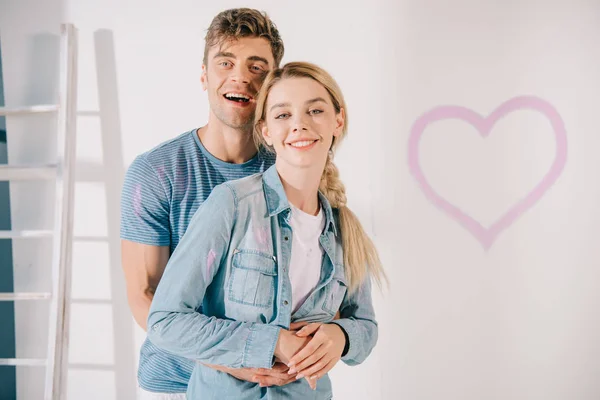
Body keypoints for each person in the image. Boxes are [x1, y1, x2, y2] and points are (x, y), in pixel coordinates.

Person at [147, 61, 386, 399]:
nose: (300, 125)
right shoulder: (231, 203)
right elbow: (165, 321)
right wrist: (272, 342)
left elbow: (366, 326)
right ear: (266, 131)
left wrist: (341, 337)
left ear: (338, 120)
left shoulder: (345, 228)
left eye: (315, 110)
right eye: (283, 115)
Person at [120, 8, 300, 399]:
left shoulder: (292, 170)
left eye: (257, 67)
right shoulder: (155, 172)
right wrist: (234, 359)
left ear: (273, 84)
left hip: (267, 386)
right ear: (204, 76)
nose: (241, 77)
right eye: (226, 63)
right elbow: (144, 294)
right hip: (175, 384)